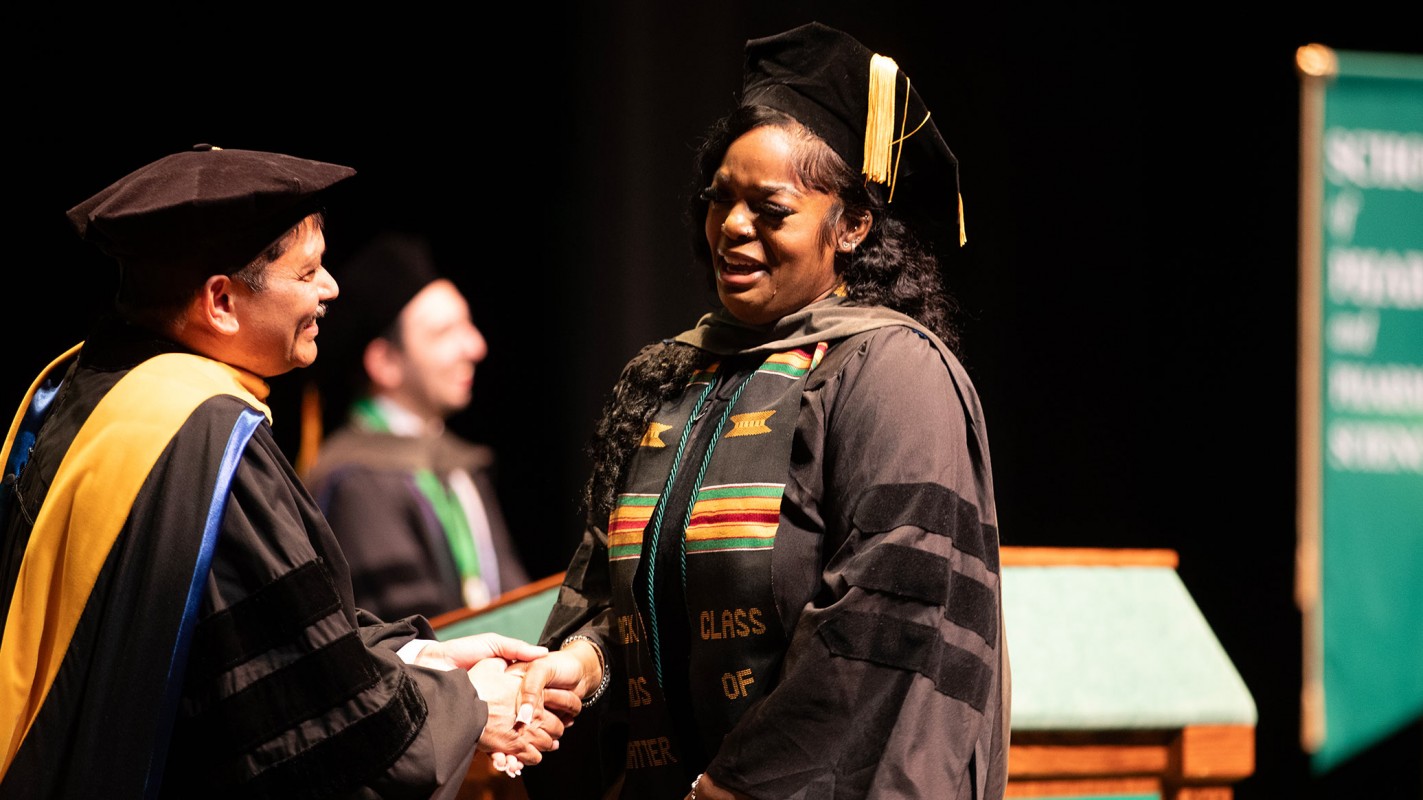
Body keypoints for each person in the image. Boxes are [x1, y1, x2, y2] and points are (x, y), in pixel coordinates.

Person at [517, 21, 1012, 800]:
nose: (732, 228)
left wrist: (743, 785)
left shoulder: (889, 374)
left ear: (851, 226)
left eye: (769, 208)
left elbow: (880, 619)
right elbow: (614, 598)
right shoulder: (667, 378)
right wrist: (575, 663)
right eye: (720, 200)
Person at [0, 145, 578, 799]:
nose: (330, 288)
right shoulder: (204, 432)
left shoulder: (86, 388)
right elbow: (309, 717)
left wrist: (422, 654)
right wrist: (466, 707)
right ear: (220, 302)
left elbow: (253, 638)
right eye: (308, 272)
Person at [302, 231, 530, 622]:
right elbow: (407, 630)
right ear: (386, 362)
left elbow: (516, 597)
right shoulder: (357, 482)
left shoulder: (458, 464)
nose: (475, 347)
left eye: (468, 324)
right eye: (445, 333)